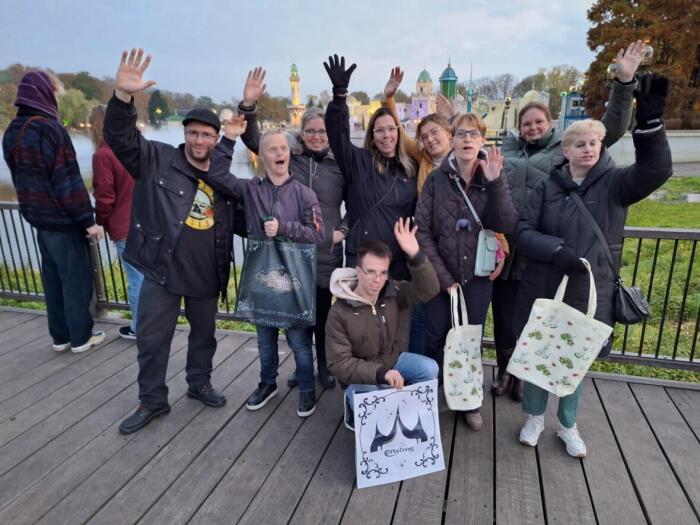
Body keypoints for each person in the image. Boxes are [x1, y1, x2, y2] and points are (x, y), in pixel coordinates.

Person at [513, 74, 672, 458]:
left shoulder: (615, 184)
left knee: (575, 361)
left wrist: (649, 121)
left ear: (601, 147)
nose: (588, 149)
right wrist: (556, 250)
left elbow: (655, 171)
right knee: (539, 355)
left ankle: (568, 425)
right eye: (579, 144)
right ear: (565, 151)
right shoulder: (545, 189)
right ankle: (534, 416)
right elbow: (522, 232)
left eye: (593, 143)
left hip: (590, 291)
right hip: (545, 286)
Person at [492, 40, 646, 401]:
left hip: (541, 254)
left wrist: (623, 85)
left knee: (535, 321)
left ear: (551, 125)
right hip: (508, 251)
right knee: (505, 319)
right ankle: (506, 373)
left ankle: (528, 378)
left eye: (538, 122)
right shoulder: (506, 151)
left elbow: (609, 128)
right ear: (519, 127)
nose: (532, 128)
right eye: (526, 123)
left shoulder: (564, 151)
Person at [105, 49, 235, 434]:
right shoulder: (155, 158)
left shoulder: (223, 177)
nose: (199, 140)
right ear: (185, 134)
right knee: (151, 339)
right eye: (193, 132)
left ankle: (199, 384)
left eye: (207, 135)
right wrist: (123, 97)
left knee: (204, 337)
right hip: (159, 270)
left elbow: (245, 215)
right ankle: (152, 402)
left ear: (216, 139)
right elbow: (119, 137)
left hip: (206, 273)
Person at [381, 67, 509, 355]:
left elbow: (492, 212)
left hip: (468, 256)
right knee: (433, 322)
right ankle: (431, 374)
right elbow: (399, 134)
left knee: (465, 325)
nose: (429, 139)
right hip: (434, 249)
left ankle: (459, 379)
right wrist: (388, 99)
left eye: (435, 132)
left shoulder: (477, 163)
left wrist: (500, 246)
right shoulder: (424, 159)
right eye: (424, 135)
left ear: (449, 134)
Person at [205, 116, 326, 418]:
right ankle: (267, 383)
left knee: (299, 342)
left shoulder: (304, 194)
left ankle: (308, 389)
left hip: (295, 279)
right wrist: (229, 138)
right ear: (263, 156)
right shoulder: (251, 189)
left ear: (289, 154)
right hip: (262, 278)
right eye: (271, 148)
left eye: (283, 147)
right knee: (265, 340)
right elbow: (217, 174)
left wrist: (285, 227)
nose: (279, 152)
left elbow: (318, 234)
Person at [236, 67, 345, 389]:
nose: (316, 136)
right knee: (297, 315)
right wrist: (249, 106)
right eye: (310, 131)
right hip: (287, 255)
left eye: (321, 131)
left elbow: (357, 205)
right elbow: (254, 139)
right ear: (301, 133)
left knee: (323, 315)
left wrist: (343, 232)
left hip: (324, 252)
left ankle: (325, 367)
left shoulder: (339, 166)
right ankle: (303, 368)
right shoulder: (290, 156)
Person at [415, 112, 517, 431]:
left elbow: (505, 225)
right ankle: (430, 397)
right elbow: (422, 231)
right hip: (440, 278)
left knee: (469, 340)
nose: (468, 139)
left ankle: (469, 400)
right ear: (453, 139)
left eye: (474, 134)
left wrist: (496, 181)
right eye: (461, 134)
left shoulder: (493, 175)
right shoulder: (436, 179)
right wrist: (445, 278)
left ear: (482, 140)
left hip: (476, 279)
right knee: (435, 338)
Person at [2, 70, 105, 354]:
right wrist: (88, 221)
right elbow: (68, 181)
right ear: (45, 94)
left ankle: (60, 337)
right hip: (62, 220)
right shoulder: (50, 128)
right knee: (76, 280)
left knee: (52, 280)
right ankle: (82, 337)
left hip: (38, 220)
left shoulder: (13, 131)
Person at [326, 218, 440, 431]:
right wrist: (381, 374)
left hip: (394, 361)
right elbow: (338, 363)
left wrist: (415, 254)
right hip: (364, 376)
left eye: (383, 273)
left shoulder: (394, 293)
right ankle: (353, 403)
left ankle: (404, 410)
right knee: (373, 404)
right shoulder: (338, 312)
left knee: (429, 368)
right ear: (358, 271)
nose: (378, 280)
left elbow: (430, 289)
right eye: (371, 272)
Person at [323, 55, 417, 281]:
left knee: (396, 315)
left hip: (397, 260)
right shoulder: (358, 161)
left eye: (391, 129)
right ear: (372, 136)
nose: (386, 135)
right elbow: (338, 135)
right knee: (359, 315)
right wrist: (339, 95)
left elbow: (439, 149)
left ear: (398, 131)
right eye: (380, 130)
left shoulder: (410, 168)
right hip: (362, 258)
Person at [89, 104, 143, 340]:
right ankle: (155, 325)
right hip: (147, 223)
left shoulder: (103, 155)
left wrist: (100, 221)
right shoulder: (135, 147)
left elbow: (105, 195)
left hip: (124, 226)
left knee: (136, 281)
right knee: (148, 278)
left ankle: (139, 328)